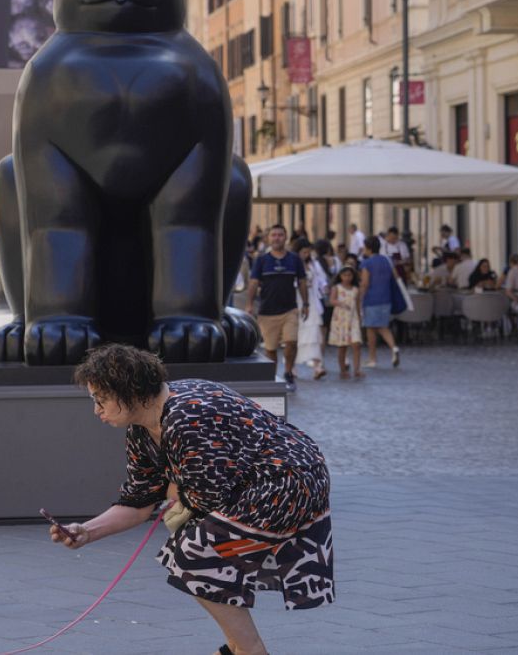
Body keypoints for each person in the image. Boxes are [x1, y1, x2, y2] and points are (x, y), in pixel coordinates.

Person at [55, 345, 334, 655]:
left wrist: (175, 490)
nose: (97, 410)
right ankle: (240, 648)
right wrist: (86, 531)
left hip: (291, 479)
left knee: (196, 551)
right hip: (261, 482)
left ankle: (247, 649)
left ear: (130, 392)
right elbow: (139, 500)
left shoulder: (187, 415)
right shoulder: (141, 429)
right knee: (197, 551)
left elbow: (208, 496)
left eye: (101, 400)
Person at [247, 224, 309, 392]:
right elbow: (253, 283)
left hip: (290, 309)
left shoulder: (294, 259)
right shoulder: (261, 259)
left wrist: (306, 303)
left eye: (280, 235)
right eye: (273, 235)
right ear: (268, 238)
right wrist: (249, 304)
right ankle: (273, 377)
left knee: (291, 343)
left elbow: (302, 282)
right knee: (270, 349)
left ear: (285, 237)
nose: (276, 238)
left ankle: (288, 372)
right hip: (267, 311)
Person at [359, 237, 401, 368]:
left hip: (372, 299)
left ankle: (373, 359)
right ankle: (394, 348)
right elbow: (396, 277)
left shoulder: (366, 263)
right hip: (386, 298)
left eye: (364, 247)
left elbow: (365, 283)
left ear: (369, 248)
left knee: (371, 329)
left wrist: (360, 298)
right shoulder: (387, 260)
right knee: (383, 326)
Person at [293, 238, 328, 380]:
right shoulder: (293, 263)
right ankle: (292, 367)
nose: (306, 255)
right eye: (304, 252)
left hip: (311, 301)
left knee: (315, 333)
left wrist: (324, 287)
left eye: (308, 252)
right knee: (295, 335)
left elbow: (321, 279)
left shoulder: (313, 264)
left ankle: (317, 366)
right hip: (296, 301)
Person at [328, 266, 363, 380]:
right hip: (341, 319)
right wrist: (341, 303)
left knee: (356, 344)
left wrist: (360, 317)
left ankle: (357, 369)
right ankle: (343, 370)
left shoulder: (356, 289)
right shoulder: (337, 288)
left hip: (353, 319)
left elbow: (358, 304)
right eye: (345, 275)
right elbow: (331, 300)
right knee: (342, 346)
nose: (347, 278)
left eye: (349, 275)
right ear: (340, 276)